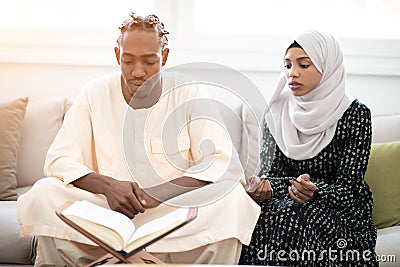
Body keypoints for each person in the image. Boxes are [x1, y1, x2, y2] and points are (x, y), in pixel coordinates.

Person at [17, 12, 260, 266]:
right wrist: (108, 187)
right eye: (128, 61)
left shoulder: (188, 91)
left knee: (232, 198)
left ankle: (126, 258)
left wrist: (159, 193)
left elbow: (221, 161)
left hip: (171, 214)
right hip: (106, 213)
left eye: (149, 61)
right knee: (44, 192)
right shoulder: (94, 92)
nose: (138, 72)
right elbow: (59, 160)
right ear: (116, 55)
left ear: (164, 57)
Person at [239, 30, 377, 266]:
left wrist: (315, 192)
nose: (292, 73)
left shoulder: (355, 114)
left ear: (328, 67)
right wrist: (262, 186)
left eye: (303, 65)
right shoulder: (275, 113)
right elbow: (270, 174)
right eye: (287, 65)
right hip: (285, 203)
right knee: (256, 216)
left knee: (301, 216)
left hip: (338, 208)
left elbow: (349, 188)